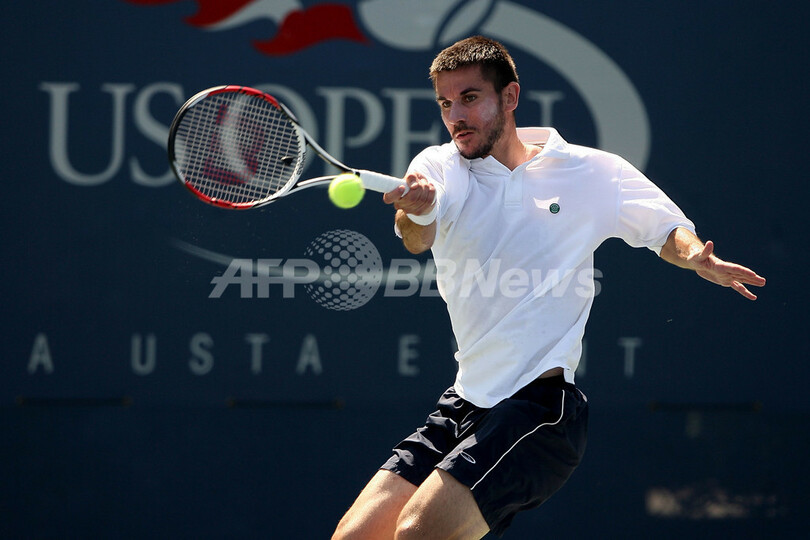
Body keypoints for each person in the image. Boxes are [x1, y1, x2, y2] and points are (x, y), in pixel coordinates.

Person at [332, 36, 766, 539]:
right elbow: (415, 236)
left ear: (510, 97)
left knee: (416, 533)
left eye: (470, 98)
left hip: (542, 411)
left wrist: (693, 256)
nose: (456, 116)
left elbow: (664, 229)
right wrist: (421, 209)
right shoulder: (439, 165)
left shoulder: (594, 171)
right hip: (464, 404)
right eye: (446, 104)